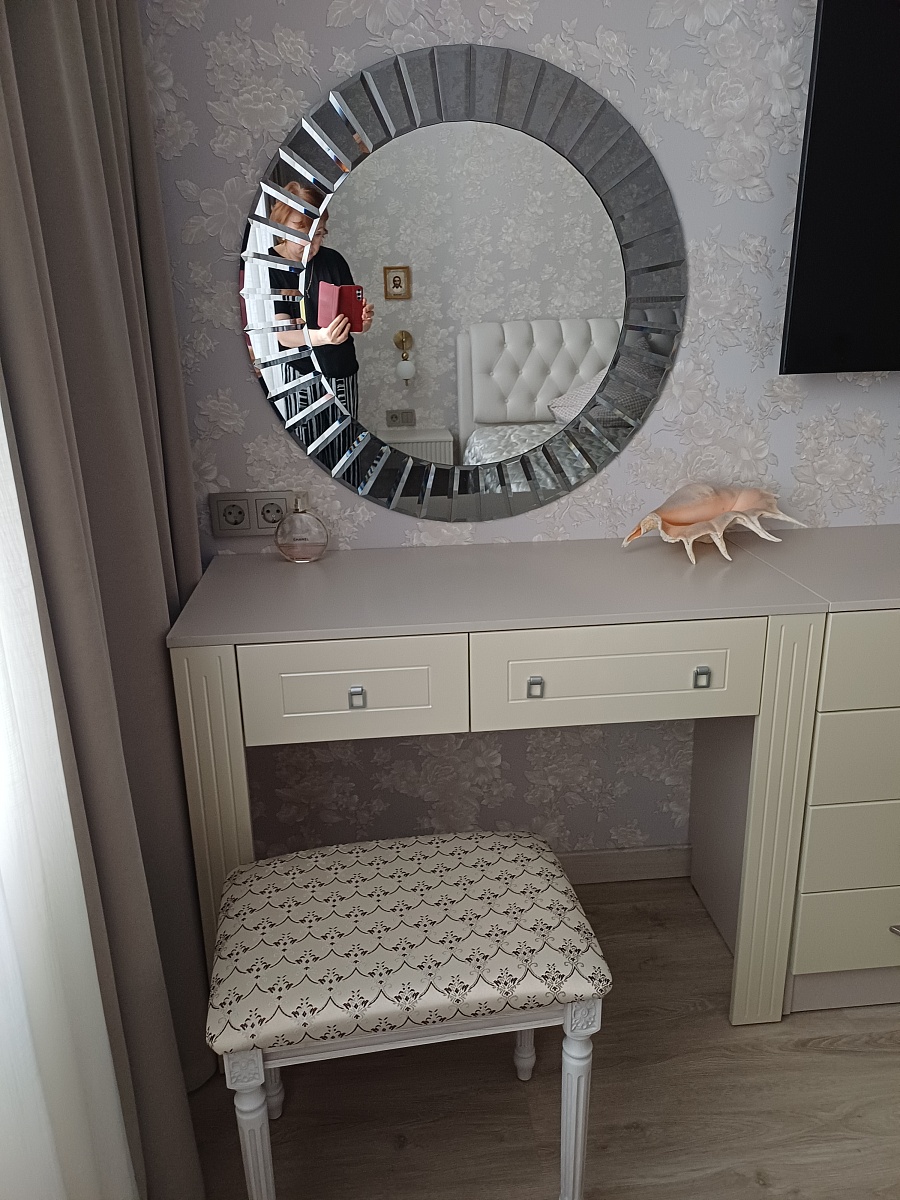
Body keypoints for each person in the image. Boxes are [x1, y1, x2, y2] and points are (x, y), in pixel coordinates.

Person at [267, 180, 374, 464]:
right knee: (306, 458)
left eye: (318, 235)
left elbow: (352, 322)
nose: (310, 244)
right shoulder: (269, 266)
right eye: (301, 230)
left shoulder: (333, 260)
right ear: (281, 225)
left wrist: (362, 320)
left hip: (341, 371)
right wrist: (322, 337)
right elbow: (283, 334)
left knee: (346, 456)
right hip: (299, 376)